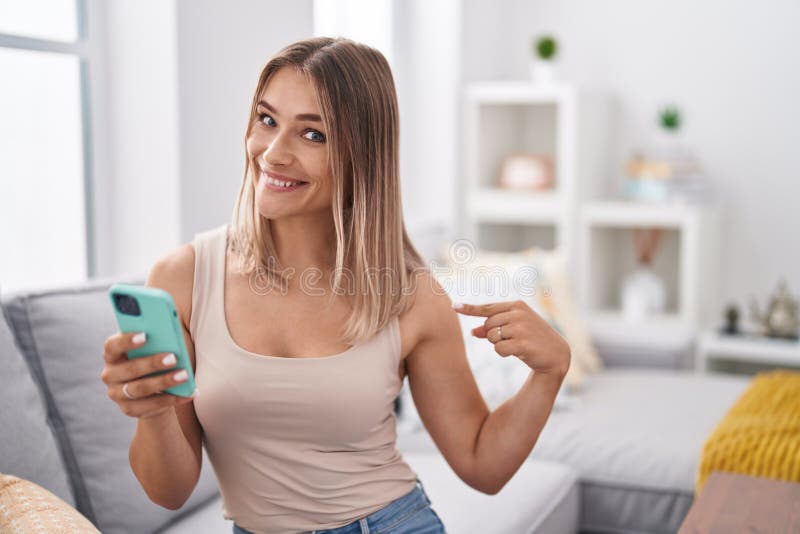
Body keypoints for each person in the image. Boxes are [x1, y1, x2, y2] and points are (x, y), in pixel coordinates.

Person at [99, 36, 570, 534]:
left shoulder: (411, 294)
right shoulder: (185, 278)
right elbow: (168, 490)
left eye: (313, 135)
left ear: (362, 155)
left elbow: (482, 463)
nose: (273, 153)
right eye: (267, 120)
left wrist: (549, 370)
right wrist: (151, 411)